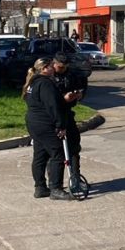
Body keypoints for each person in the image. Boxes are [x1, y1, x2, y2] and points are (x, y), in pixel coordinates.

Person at [23, 58, 73, 200]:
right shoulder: (45, 84)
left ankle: (40, 187)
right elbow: (53, 106)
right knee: (57, 153)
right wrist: (60, 125)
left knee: (40, 154)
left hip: (34, 122)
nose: (54, 68)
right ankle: (55, 188)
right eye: (51, 66)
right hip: (44, 123)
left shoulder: (32, 82)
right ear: (44, 68)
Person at [52, 52, 89, 196]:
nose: (62, 70)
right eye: (60, 67)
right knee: (56, 152)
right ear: (54, 64)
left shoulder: (71, 74)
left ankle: (75, 178)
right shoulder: (49, 77)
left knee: (74, 148)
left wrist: (79, 94)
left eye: (65, 67)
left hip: (68, 114)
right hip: (53, 116)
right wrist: (63, 99)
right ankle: (54, 185)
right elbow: (49, 100)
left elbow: (81, 86)